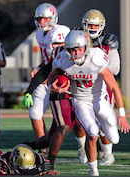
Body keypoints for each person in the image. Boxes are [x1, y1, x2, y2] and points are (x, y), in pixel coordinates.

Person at [44, 30, 129, 176]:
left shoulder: (96, 58)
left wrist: (121, 114)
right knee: (93, 132)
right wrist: (52, 87)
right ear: (67, 50)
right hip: (81, 101)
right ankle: (93, 170)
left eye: (79, 48)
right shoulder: (62, 60)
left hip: (100, 99)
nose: (76, 53)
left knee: (114, 138)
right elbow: (50, 78)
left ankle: (103, 126)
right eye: (72, 49)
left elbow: (114, 87)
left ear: (86, 47)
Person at [72, 9, 121, 166]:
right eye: (90, 25)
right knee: (79, 121)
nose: (92, 28)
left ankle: (107, 153)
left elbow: (115, 68)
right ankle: (82, 148)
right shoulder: (76, 36)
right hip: (80, 84)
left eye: (96, 25)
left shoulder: (108, 42)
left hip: (101, 86)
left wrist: (95, 66)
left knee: (105, 121)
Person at [27, 2, 70, 157]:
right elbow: (47, 59)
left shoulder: (60, 32)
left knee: (74, 118)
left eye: (45, 19)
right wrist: (39, 68)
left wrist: (43, 72)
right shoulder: (39, 35)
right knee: (34, 112)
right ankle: (43, 146)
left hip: (61, 79)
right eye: (40, 19)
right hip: (45, 78)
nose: (42, 22)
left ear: (53, 18)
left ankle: (94, 141)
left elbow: (59, 58)